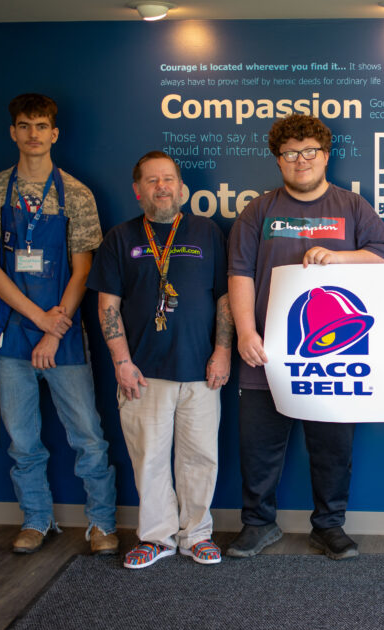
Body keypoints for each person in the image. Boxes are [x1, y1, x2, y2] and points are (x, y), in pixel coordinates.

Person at [227, 114, 384, 561]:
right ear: (278, 160)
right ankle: (258, 524)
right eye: (289, 154)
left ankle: (329, 526)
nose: (299, 161)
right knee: (258, 449)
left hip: (336, 355)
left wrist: (340, 258)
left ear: (325, 156)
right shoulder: (257, 211)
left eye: (308, 152)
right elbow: (239, 273)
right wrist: (245, 331)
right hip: (264, 353)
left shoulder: (353, 207)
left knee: (332, 449)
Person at [0, 93, 117, 555]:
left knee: (88, 436)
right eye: (24, 125)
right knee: (22, 439)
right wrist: (39, 323)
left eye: (41, 126)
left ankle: (102, 525)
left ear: (55, 133)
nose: (33, 134)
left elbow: (82, 270)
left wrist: (57, 328)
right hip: (11, 333)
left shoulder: (76, 194)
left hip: (66, 334)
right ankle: (36, 519)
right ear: (13, 132)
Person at [88, 151, 232, 569]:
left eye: (168, 179)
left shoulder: (209, 233)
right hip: (143, 374)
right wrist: (121, 362)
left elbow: (224, 298)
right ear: (137, 191)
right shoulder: (120, 238)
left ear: (182, 188)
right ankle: (156, 537)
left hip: (203, 373)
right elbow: (107, 307)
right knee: (148, 459)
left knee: (201, 457)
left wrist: (222, 351)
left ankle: (196, 534)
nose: (162, 187)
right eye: (152, 181)